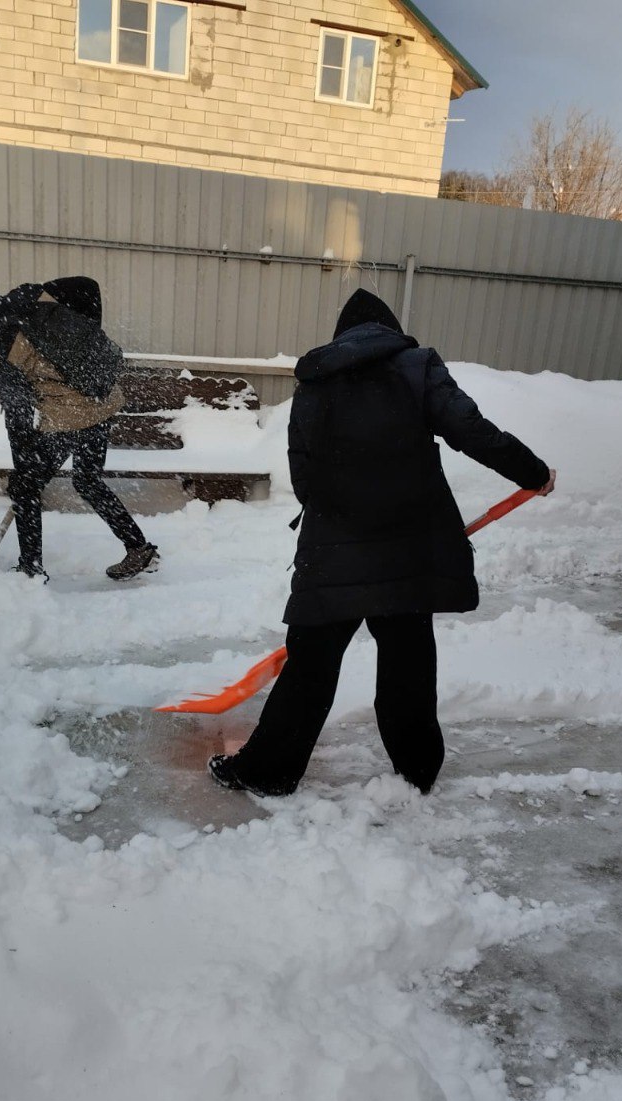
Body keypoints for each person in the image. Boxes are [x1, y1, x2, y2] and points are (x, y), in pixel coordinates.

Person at [208, 288, 555, 798]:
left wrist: (344, 513)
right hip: (409, 547)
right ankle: (418, 770)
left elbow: (302, 475)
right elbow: (473, 432)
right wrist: (534, 472)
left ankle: (268, 771)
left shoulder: (315, 380)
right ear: (390, 331)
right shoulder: (417, 368)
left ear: (341, 336)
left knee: (311, 663)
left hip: (334, 549)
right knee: (408, 661)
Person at [0, 267, 158, 581]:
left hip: (72, 415)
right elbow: (87, 286)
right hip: (102, 400)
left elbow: (18, 410)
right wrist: (86, 350)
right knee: (87, 481)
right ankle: (138, 547)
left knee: (24, 488)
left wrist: (23, 468)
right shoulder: (26, 296)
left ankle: (30, 570)